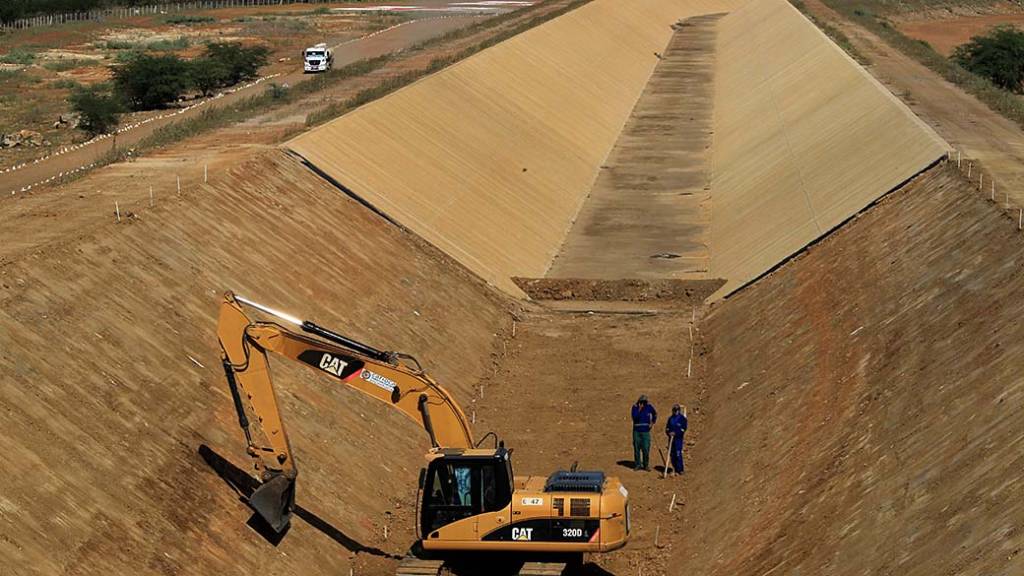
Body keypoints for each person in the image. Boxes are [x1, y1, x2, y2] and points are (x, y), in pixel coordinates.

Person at [631, 395, 657, 471]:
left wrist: (652, 422)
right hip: (637, 431)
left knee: (646, 448)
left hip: (646, 431)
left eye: (645, 402)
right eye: (642, 402)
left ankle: (646, 464)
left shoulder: (649, 407)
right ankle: (638, 464)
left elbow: (655, 414)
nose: (643, 403)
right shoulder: (635, 407)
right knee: (637, 448)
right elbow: (634, 417)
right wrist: (639, 409)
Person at [665, 404, 688, 475]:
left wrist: (676, 433)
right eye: (674, 410)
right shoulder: (670, 419)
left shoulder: (682, 419)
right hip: (671, 439)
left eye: (676, 410)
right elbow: (667, 428)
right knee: (672, 454)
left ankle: (680, 469)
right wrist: (669, 433)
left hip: (678, 439)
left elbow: (683, 429)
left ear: (679, 410)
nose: (675, 412)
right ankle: (674, 468)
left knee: (678, 454)